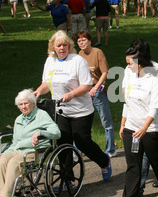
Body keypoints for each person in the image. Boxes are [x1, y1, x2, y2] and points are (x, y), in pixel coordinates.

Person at [34, 30, 112, 182]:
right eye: (58, 45)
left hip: (81, 111)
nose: (62, 48)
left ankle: (104, 161)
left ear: (69, 46)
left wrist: (71, 95)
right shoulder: (50, 61)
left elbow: (87, 85)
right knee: (63, 142)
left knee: (83, 142)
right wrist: (38, 91)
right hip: (61, 110)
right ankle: (67, 177)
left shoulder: (77, 61)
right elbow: (47, 84)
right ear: (53, 47)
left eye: (65, 45)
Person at [117, 40, 158, 197]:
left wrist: (144, 128)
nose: (127, 67)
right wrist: (123, 125)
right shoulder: (128, 74)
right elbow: (127, 102)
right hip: (132, 129)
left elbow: (156, 107)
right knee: (133, 167)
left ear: (140, 62)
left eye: (130, 63)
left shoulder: (154, 79)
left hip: (152, 130)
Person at [0, 89, 61, 197]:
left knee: (14, 162)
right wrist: (5, 152)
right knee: (3, 159)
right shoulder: (19, 119)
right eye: (21, 104)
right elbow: (15, 142)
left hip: (35, 151)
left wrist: (41, 133)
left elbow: (56, 133)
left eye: (26, 103)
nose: (23, 107)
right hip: (19, 150)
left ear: (33, 103)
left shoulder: (41, 115)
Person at [77, 30, 116, 158]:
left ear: (90, 40)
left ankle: (111, 149)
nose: (81, 43)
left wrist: (96, 88)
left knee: (106, 121)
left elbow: (105, 73)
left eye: (83, 40)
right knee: (79, 121)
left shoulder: (97, 52)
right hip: (84, 91)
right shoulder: (79, 54)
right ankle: (76, 150)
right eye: (79, 40)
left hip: (98, 91)